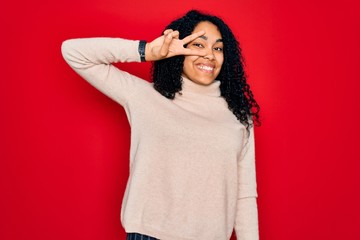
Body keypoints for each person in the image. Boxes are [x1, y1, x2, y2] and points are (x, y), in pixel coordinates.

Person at [62, 9, 260, 240]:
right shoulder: (145, 96)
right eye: (198, 45)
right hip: (150, 234)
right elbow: (73, 52)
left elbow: (244, 194)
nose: (209, 55)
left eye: (218, 48)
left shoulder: (237, 115)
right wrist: (148, 51)